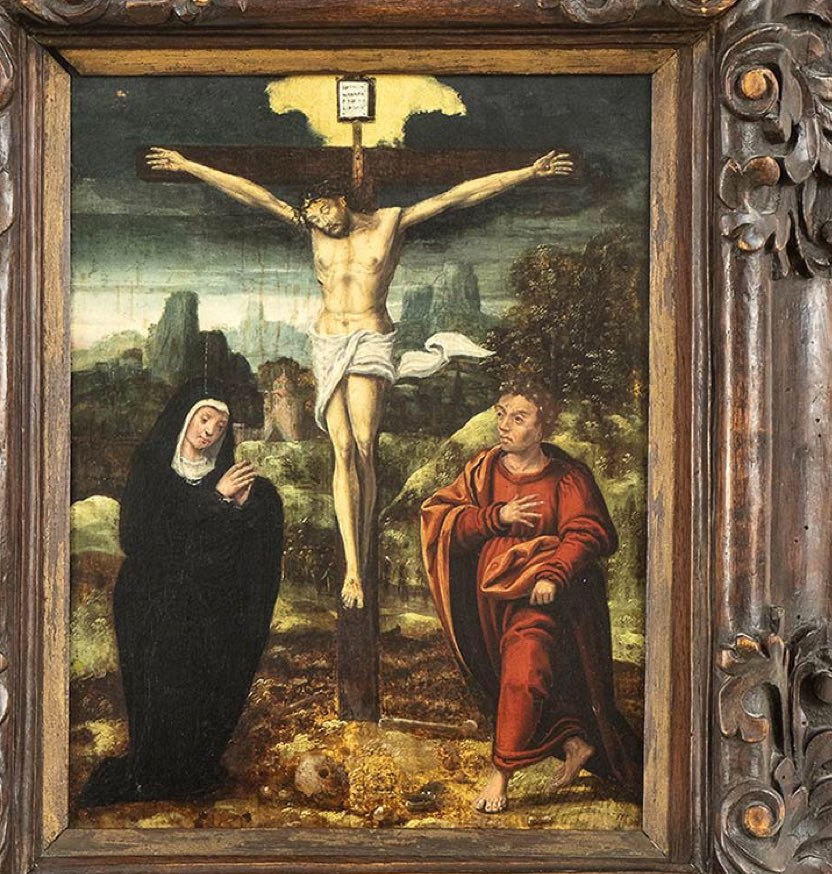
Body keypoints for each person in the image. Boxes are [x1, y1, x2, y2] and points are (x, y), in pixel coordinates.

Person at [146, 145, 572, 609]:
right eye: (312, 216)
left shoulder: (389, 222)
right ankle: (351, 567)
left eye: (324, 211)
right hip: (328, 342)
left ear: (341, 200)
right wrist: (188, 166)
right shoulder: (314, 229)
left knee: (365, 446)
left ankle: (361, 559)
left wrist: (528, 172)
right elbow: (255, 195)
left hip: (370, 340)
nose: (320, 221)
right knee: (342, 449)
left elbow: (457, 197)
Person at [420, 380, 642, 814]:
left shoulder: (568, 478)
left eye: (518, 418)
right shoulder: (483, 469)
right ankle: (574, 742)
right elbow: (443, 520)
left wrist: (554, 574)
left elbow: (589, 532)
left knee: (524, 674)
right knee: (516, 678)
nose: (504, 425)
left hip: (539, 600)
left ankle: (501, 774)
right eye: (501, 414)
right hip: (490, 602)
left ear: (543, 428)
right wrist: (495, 517)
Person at [77, 382, 284, 807]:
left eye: (220, 426)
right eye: (205, 419)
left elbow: (219, 552)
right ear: (186, 418)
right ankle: (155, 770)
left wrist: (240, 509)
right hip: (150, 602)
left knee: (202, 679)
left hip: (203, 608)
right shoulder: (152, 467)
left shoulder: (220, 476)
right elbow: (140, 537)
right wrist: (215, 500)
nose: (210, 431)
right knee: (162, 681)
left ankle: (192, 767)